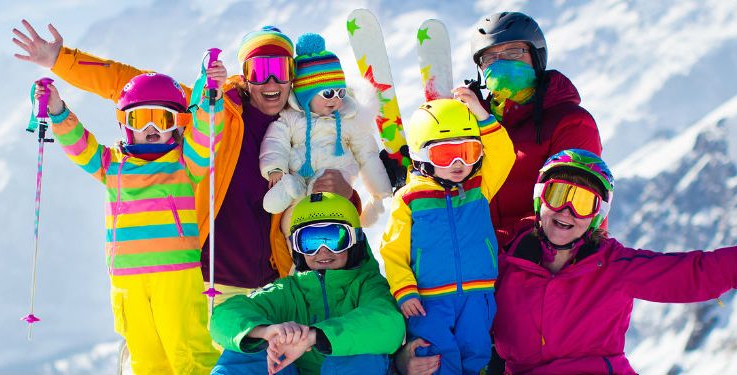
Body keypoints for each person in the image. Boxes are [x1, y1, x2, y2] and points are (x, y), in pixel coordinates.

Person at [12, 20, 357, 302]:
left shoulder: (310, 129)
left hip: (275, 282)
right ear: (246, 74)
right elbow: (127, 83)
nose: (270, 81)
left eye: (280, 70)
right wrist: (59, 58)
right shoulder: (212, 108)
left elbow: (331, 192)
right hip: (209, 280)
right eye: (259, 69)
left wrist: (349, 193)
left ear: (293, 77)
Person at [491, 149, 737, 374]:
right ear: (540, 201)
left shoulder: (613, 266)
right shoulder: (504, 268)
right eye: (558, 195)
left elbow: (698, 274)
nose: (568, 211)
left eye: (583, 202)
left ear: (597, 217)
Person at [36, 75, 220, 374]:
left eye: (162, 118)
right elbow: (80, 147)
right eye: (140, 118)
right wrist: (57, 111)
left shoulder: (185, 163)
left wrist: (213, 100)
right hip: (128, 281)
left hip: (175, 276)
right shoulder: (112, 165)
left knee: (188, 350)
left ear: (177, 124)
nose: (151, 128)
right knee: (146, 358)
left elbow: (206, 135)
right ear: (125, 123)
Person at [379, 95, 514, 375]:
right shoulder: (410, 198)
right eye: (444, 154)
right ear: (422, 156)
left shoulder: (480, 187)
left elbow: (504, 155)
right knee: (436, 360)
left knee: (477, 353)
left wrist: (481, 115)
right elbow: (393, 250)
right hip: (428, 301)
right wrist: (404, 290)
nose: (458, 163)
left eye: (468, 152)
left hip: (477, 295)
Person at [210, 192, 404, 375]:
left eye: (334, 238)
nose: (322, 250)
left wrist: (314, 336)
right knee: (248, 348)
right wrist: (265, 332)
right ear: (297, 249)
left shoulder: (368, 286)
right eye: (310, 241)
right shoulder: (289, 292)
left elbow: (389, 323)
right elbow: (224, 315)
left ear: (354, 241)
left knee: (362, 349)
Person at [467, 12, 604, 248]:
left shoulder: (571, 123)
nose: (500, 63)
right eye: (489, 57)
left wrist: (496, 245)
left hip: (549, 265)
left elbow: (571, 213)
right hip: (485, 268)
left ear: (536, 57)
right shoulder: (472, 123)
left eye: (513, 52)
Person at [260, 33, 391, 231]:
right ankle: (288, 191)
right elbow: (275, 141)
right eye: (328, 93)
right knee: (293, 219)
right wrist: (274, 168)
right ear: (306, 95)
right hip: (301, 180)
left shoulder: (349, 119)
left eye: (340, 92)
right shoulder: (291, 118)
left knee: (330, 217)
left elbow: (368, 155)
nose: (335, 99)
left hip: (335, 182)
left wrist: (380, 191)